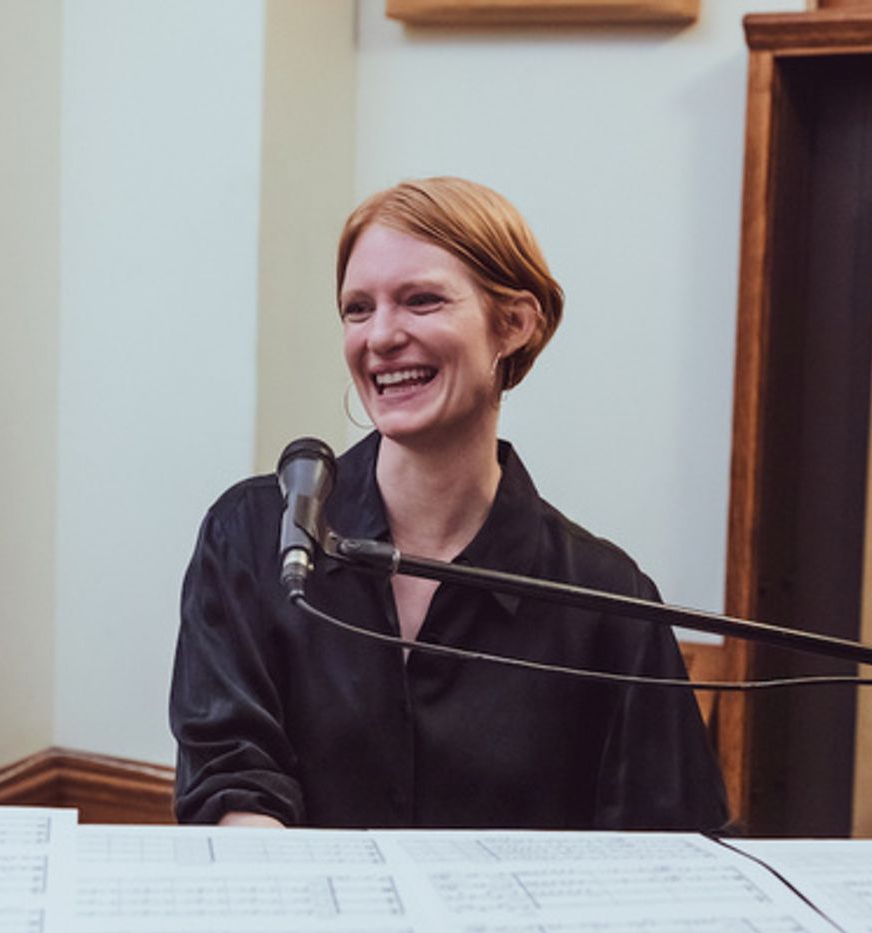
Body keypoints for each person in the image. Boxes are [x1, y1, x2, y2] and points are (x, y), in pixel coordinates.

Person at [170, 176, 729, 830]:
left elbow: (668, 843)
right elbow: (231, 777)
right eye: (357, 308)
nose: (379, 336)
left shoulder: (608, 599)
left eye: (421, 300)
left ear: (515, 324)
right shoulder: (252, 533)